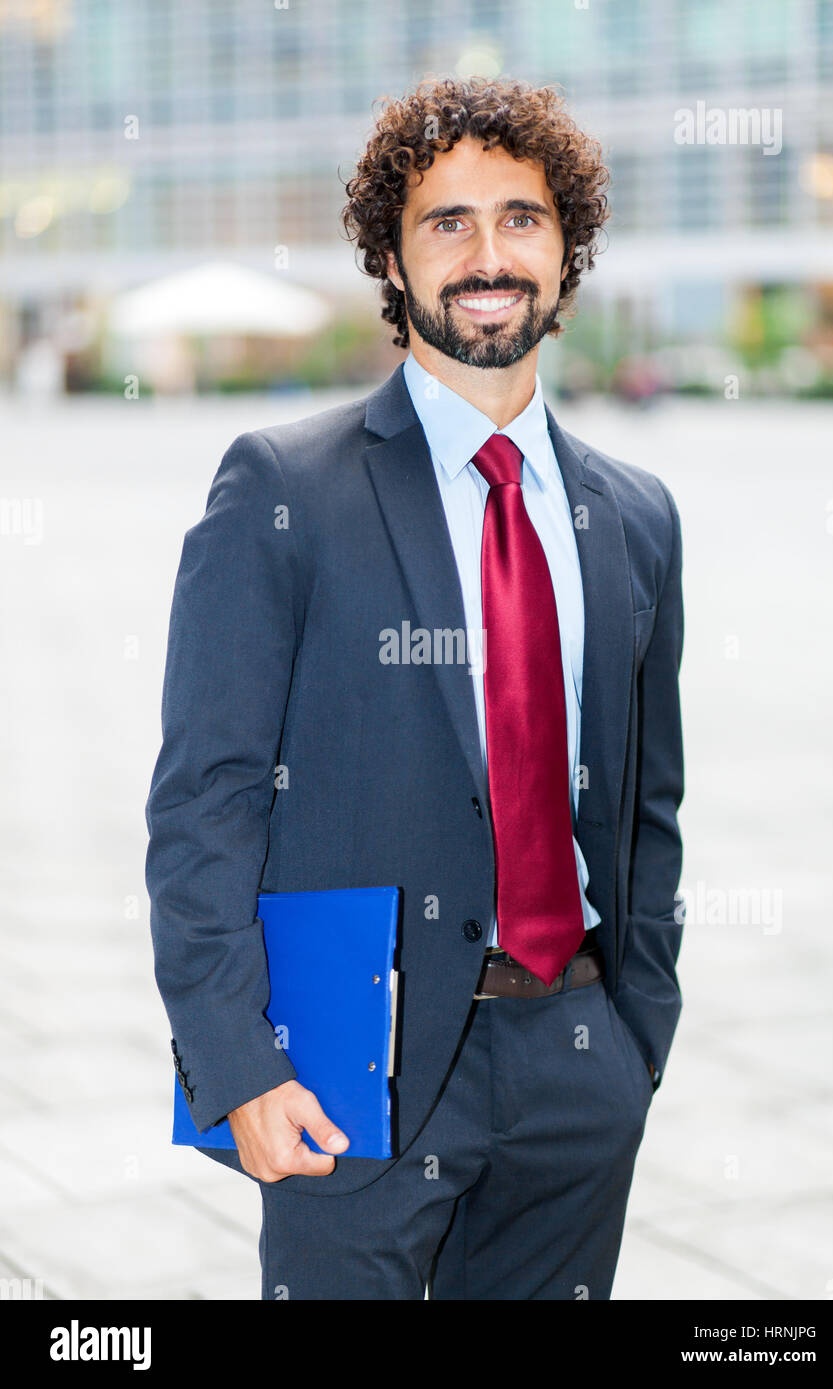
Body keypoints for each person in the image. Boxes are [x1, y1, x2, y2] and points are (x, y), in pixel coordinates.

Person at [145, 74, 686, 1301]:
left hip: (578, 1060)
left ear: (565, 249)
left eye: (520, 217)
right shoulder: (281, 491)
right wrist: (236, 1062)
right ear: (389, 256)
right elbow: (204, 802)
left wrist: (635, 1037)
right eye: (446, 222)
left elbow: (647, 807)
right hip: (352, 1078)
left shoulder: (635, 518)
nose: (486, 253)